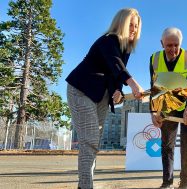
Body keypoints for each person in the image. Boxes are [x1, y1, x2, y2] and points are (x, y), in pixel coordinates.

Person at [66, 8, 144, 189]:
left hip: (101, 96)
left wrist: (118, 90)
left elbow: (115, 74)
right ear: (120, 24)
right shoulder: (107, 40)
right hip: (80, 91)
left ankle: (86, 183)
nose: (133, 29)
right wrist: (133, 84)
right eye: (130, 25)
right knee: (90, 139)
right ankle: (85, 186)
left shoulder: (126, 50)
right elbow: (115, 63)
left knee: (94, 143)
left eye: (136, 26)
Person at [150, 27, 187, 189]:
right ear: (161, 44)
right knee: (167, 144)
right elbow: (154, 86)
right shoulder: (154, 58)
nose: (173, 49)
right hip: (167, 102)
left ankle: (186, 181)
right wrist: (154, 110)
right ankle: (167, 182)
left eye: (176, 45)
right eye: (168, 45)